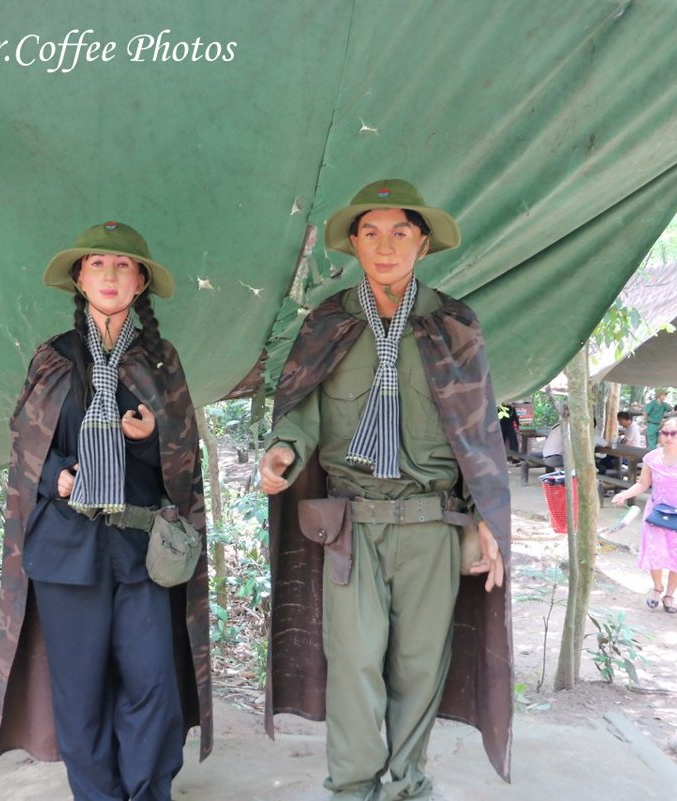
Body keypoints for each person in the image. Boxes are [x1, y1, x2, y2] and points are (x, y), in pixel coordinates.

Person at [259, 179, 511, 801]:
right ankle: (351, 789)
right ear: (354, 244)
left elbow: (478, 430)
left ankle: (406, 787)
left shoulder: (454, 325)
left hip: (432, 525)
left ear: (422, 244)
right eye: (370, 232)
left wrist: (489, 522)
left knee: (421, 668)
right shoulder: (328, 323)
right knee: (355, 665)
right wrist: (282, 450)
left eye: (401, 231)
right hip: (353, 527)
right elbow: (298, 411)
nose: (385, 245)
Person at [0, 221, 212, 800]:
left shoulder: (160, 361)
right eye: (98, 264)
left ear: (140, 282)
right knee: (81, 691)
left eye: (123, 266)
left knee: (151, 684)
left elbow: (185, 459)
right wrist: (56, 474)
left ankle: (147, 793)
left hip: (142, 550)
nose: (110, 276)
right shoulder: (52, 359)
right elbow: (23, 445)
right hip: (68, 551)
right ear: (79, 278)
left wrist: (145, 439)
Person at [611, 416, 677, 614]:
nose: (669, 437)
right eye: (665, 433)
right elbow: (643, 483)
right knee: (656, 551)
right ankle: (657, 588)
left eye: (674, 433)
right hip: (656, 511)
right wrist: (624, 494)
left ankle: (670, 595)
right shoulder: (652, 457)